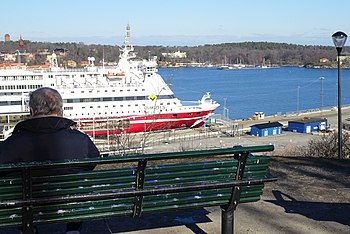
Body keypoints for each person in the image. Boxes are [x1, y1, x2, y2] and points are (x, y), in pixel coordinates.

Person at [0, 87, 100, 234]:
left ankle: (29, 229)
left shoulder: (13, 142)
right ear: (60, 110)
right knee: (77, 184)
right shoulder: (80, 139)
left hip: (27, 208)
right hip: (69, 202)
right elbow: (92, 162)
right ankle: (73, 229)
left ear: (32, 111)